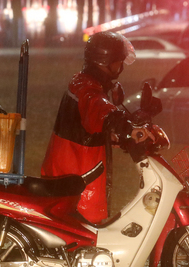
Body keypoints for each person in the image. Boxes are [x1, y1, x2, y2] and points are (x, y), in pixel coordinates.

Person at [41, 31, 153, 225]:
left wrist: (113, 136)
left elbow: (83, 127)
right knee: (84, 231)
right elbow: (98, 109)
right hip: (77, 178)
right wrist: (125, 127)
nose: (121, 68)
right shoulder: (87, 88)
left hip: (71, 170)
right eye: (119, 62)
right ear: (107, 63)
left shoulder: (83, 81)